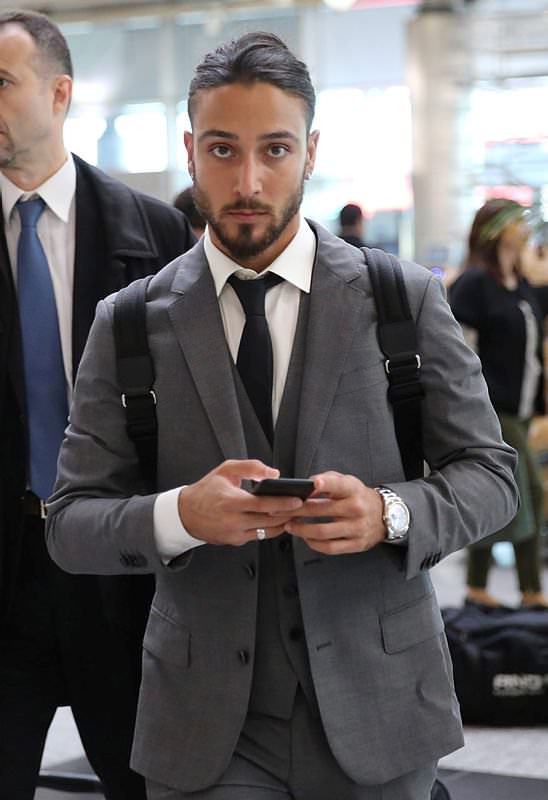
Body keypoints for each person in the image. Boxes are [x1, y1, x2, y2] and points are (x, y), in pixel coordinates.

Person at [46, 32, 518, 800]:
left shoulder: (401, 299)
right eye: (223, 150)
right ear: (190, 151)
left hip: (381, 706)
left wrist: (389, 512)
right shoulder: (128, 322)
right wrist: (180, 515)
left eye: (275, 149)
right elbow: (69, 524)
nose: (249, 181)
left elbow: (493, 478)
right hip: (206, 726)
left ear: (311, 152)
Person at [0, 10, 195, 800]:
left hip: (120, 563)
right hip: (8, 569)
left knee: (144, 779)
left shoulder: (154, 232)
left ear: (60, 93)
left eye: (1, 82)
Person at [450, 198, 548, 608]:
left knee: (502, 492)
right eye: (516, 221)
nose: (524, 227)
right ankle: (530, 591)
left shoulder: (519, 282)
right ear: (494, 230)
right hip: (491, 409)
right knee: (531, 492)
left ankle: (480, 587)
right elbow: (458, 351)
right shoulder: (474, 283)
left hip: (521, 409)